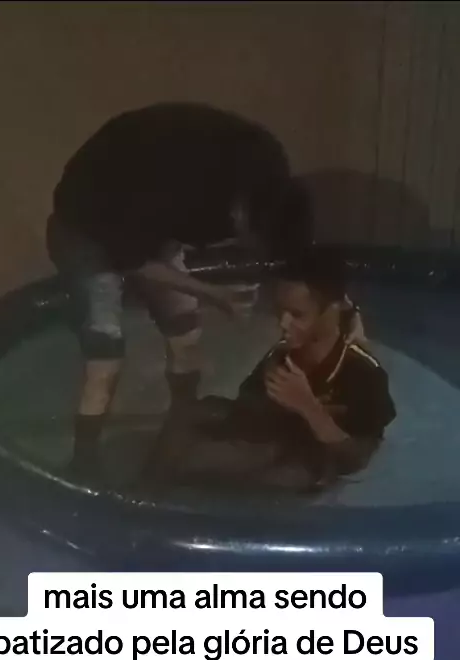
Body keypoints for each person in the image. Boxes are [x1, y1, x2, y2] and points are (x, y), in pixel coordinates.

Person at [47, 101, 315, 480]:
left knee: (186, 332)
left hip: (153, 218)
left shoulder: (268, 169)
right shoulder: (168, 188)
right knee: (106, 354)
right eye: (250, 241)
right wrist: (216, 295)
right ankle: (83, 462)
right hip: (86, 224)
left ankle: (181, 424)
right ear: (240, 215)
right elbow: (134, 261)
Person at [156, 250, 396, 492]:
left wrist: (309, 408)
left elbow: (357, 459)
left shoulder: (363, 373)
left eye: (297, 315)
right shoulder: (282, 355)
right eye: (280, 311)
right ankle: (152, 487)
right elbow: (248, 406)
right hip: (275, 438)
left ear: (332, 311)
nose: (283, 323)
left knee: (286, 475)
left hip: (311, 457)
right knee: (191, 413)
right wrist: (269, 409)